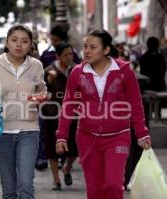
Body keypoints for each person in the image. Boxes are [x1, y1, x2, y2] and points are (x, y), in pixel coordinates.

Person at [56, 29, 151, 199]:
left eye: (93, 47)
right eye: (85, 47)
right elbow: (68, 106)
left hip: (118, 136)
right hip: (87, 138)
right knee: (95, 190)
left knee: (113, 184)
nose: (87, 51)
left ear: (106, 50)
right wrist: (61, 135)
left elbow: (135, 104)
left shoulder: (124, 71)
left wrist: (142, 133)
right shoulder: (77, 73)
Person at [0, 24, 47, 199]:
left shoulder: (36, 66)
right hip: (1, 131)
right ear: (7, 43)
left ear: (30, 45)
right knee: (9, 190)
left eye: (24, 41)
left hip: (29, 130)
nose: (19, 45)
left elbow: (41, 90)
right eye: (14, 40)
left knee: (26, 184)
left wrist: (42, 97)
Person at [42, 42, 78, 190]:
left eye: (71, 54)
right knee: (52, 148)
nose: (69, 57)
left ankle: (67, 167)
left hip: (74, 115)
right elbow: (43, 88)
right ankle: (56, 180)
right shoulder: (49, 71)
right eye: (66, 55)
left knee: (75, 148)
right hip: (52, 115)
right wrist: (49, 80)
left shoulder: (77, 70)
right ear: (57, 56)